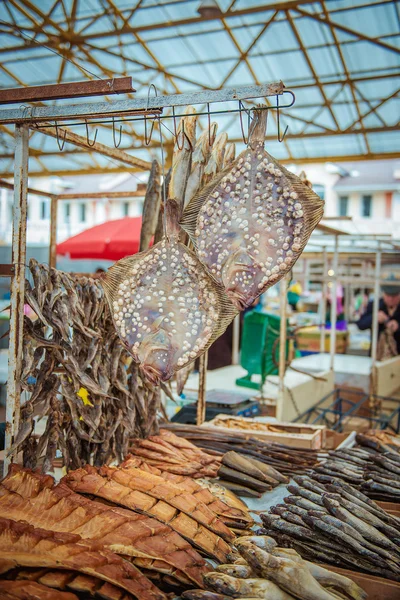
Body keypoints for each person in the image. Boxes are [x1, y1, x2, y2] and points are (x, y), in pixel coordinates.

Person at [357, 282, 400, 355]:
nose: (391, 299)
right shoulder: (375, 305)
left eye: (394, 296)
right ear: (383, 294)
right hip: (376, 355)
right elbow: (360, 325)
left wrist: (398, 327)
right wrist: (374, 318)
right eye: (388, 295)